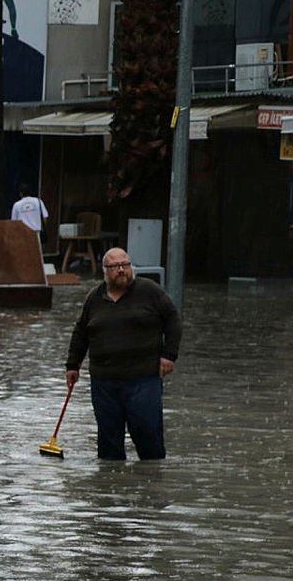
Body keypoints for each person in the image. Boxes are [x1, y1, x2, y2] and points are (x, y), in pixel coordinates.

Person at [65, 247, 182, 460]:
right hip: (104, 381)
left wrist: (169, 355)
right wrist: (72, 365)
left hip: (143, 378)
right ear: (105, 271)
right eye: (115, 266)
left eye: (125, 265)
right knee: (108, 442)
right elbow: (81, 332)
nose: (121, 270)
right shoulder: (95, 298)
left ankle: (151, 482)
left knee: (148, 434)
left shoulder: (149, 291)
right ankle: (112, 486)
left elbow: (173, 320)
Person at [10, 183, 48, 247]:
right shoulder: (38, 201)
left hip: (22, 234)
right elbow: (45, 218)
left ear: (20, 193)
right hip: (36, 233)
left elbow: (14, 223)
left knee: (24, 254)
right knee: (36, 254)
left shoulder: (16, 205)